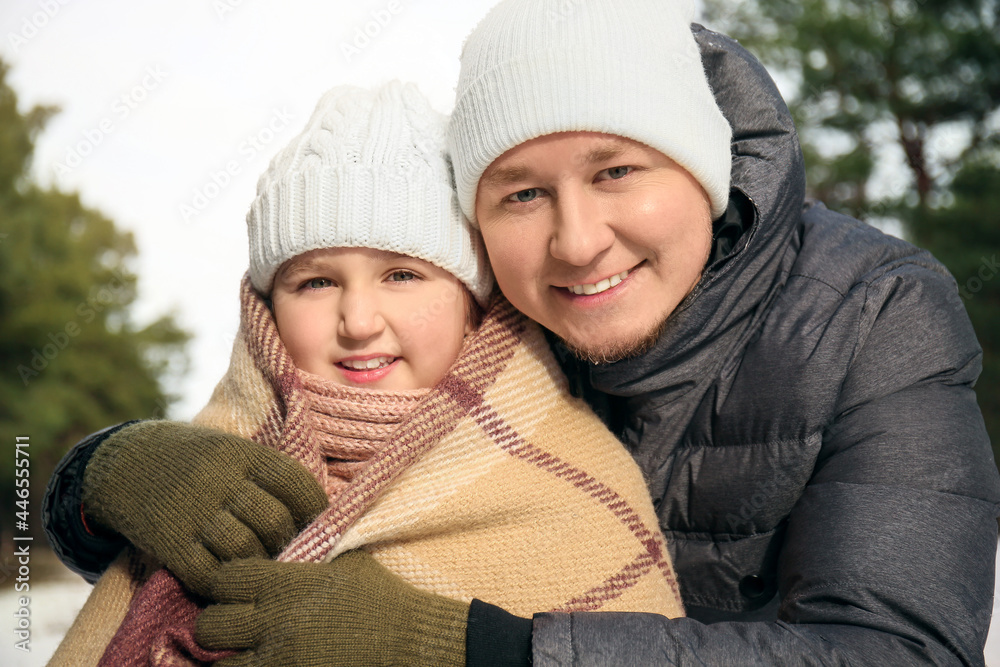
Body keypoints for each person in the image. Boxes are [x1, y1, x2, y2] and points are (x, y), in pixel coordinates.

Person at [44, 0, 1000, 664]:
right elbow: (255, 545)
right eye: (523, 193)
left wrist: (474, 650)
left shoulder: (877, 311)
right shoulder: (475, 327)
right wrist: (98, 480)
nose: (579, 243)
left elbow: (898, 649)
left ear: (701, 170)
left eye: (618, 170)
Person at [46, 79, 684, 667]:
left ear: (473, 304)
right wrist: (98, 475)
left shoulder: (577, 487)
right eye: (316, 282)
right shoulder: (205, 457)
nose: (357, 319)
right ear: (267, 308)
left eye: (402, 276)